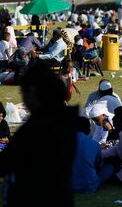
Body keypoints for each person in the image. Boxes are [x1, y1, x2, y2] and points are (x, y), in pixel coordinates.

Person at [0, 61, 77, 207]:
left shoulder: (38, 129)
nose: (23, 98)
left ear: (34, 92)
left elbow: (7, 162)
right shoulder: (64, 120)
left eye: (24, 92)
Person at [71, 116, 112, 193]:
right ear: (88, 130)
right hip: (89, 186)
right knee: (110, 167)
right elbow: (99, 165)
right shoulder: (94, 144)